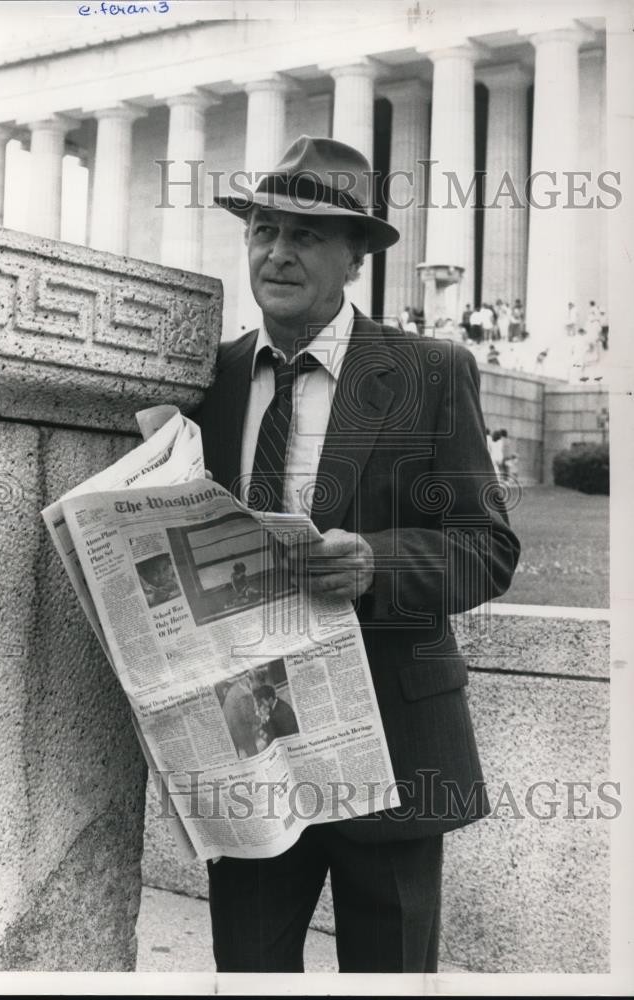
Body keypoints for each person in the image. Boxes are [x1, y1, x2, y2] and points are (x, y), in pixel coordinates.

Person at [194, 135, 520, 973]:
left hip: (394, 745)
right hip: (253, 738)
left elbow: (486, 548)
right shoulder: (213, 378)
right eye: (264, 230)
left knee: (389, 971)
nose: (277, 252)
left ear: (355, 258)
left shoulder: (431, 372)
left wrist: (376, 564)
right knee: (249, 969)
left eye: (305, 236)